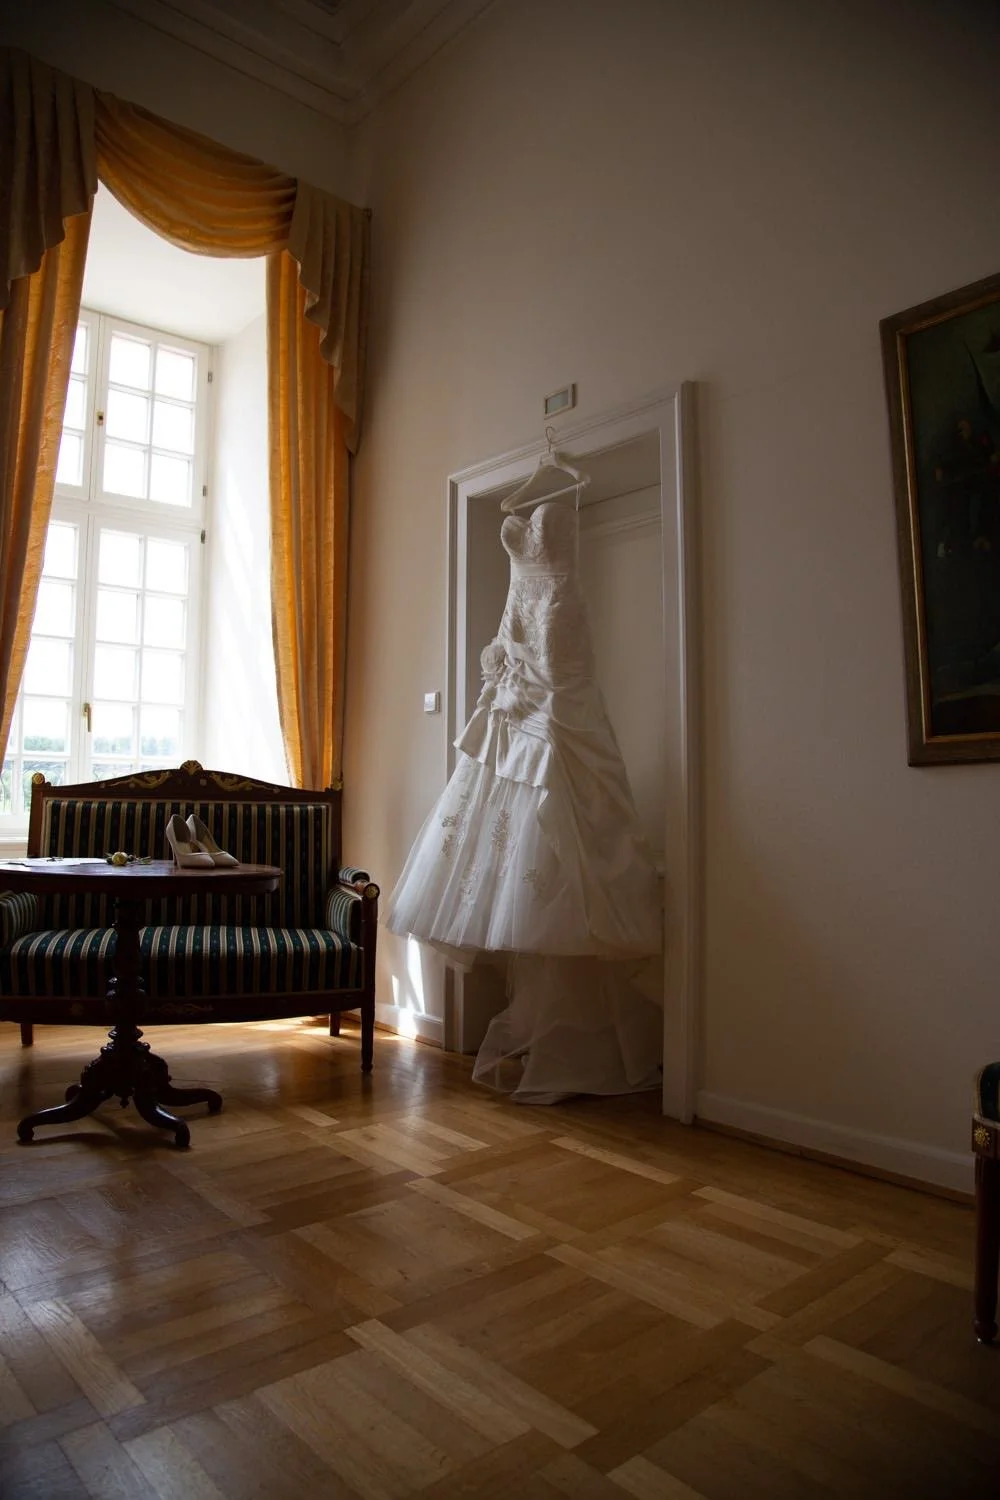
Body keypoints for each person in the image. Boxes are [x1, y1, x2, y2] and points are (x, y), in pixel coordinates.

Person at [386, 493, 663, 1102]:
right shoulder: (529, 550)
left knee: (561, 832)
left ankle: (583, 1046)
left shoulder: (566, 536)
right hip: (519, 678)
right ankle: (553, 1039)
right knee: (520, 833)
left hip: (554, 679)